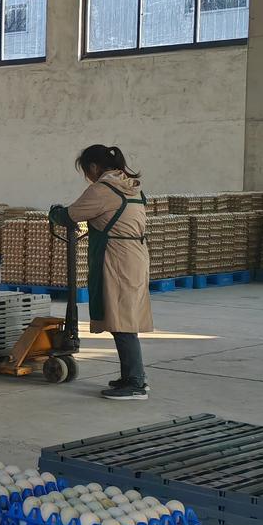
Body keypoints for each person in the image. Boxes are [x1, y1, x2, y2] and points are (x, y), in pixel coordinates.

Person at [53, 144, 152, 401]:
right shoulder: (131, 186)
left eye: (86, 171)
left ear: (94, 167)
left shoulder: (103, 190)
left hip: (118, 258)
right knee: (124, 317)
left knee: (122, 321)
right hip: (135, 255)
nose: (88, 176)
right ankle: (132, 375)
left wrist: (55, 213)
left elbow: (71, 215)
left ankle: (135, 383)